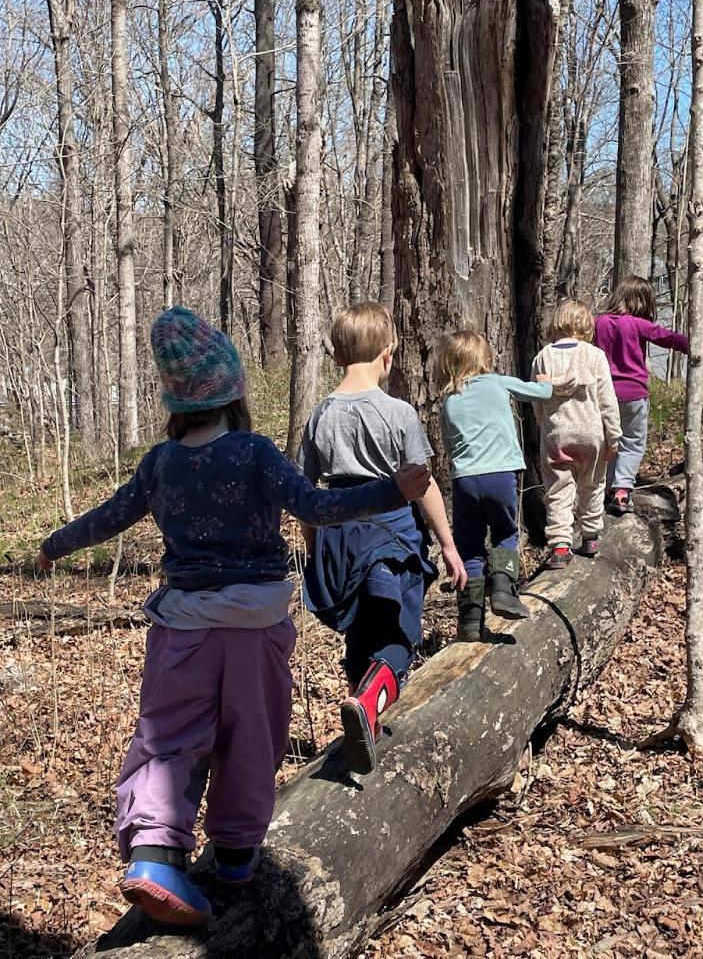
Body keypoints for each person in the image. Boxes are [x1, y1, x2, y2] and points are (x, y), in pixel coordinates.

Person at [36, 306, 430, 927]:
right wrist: (390, 491)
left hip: (182, 630)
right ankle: (237, 858)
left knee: (167, 739)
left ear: (175, 401)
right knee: (253, 737)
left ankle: (153, 853)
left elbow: (108, 517)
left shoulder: (160, 463)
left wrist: (55, 545)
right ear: (233, 390)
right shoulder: (254, 452)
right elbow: (315, 506)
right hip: (254, 627)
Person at [297, 302, 466, 776]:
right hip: (391, 535)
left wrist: (316, 551)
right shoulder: (398, 413)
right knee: (397, 636)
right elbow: (424, 483)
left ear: (337, 357)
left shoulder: (319, 416)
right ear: (388, 355)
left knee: (360, 637)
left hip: (338, 537)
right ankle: (368, 706)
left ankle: (361, 717)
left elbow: (306, 497)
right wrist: (448, 545)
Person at [435, 330, 553, 638]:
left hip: (465, 480)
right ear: (485, 358)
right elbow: (540, 394)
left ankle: (470, 621)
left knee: (470, 548)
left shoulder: (449, 399)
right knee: (504, 533)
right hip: (501, 475)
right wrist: (545, 382)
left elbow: (449, 445)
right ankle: (503, 588)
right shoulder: (498, 382)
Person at [595, 275, 703, 514]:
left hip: (602, 395)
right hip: (633, 394)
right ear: (642, 302)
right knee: (632, 442)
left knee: (608, 442)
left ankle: (606, 489)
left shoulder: (599, 323)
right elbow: (672, 339)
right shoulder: (638, 324)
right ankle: (622, 490)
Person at [531, 300, 621, 568]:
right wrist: (614, 437)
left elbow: (538, 400)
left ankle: (560, 545)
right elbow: (608, 400)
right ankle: (591, 535)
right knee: (592, 483)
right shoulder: (594, 356)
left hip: (557, 435)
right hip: (591, 434)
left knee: (558, 490)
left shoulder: (543, 357)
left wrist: (543, 426)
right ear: (586, 325)